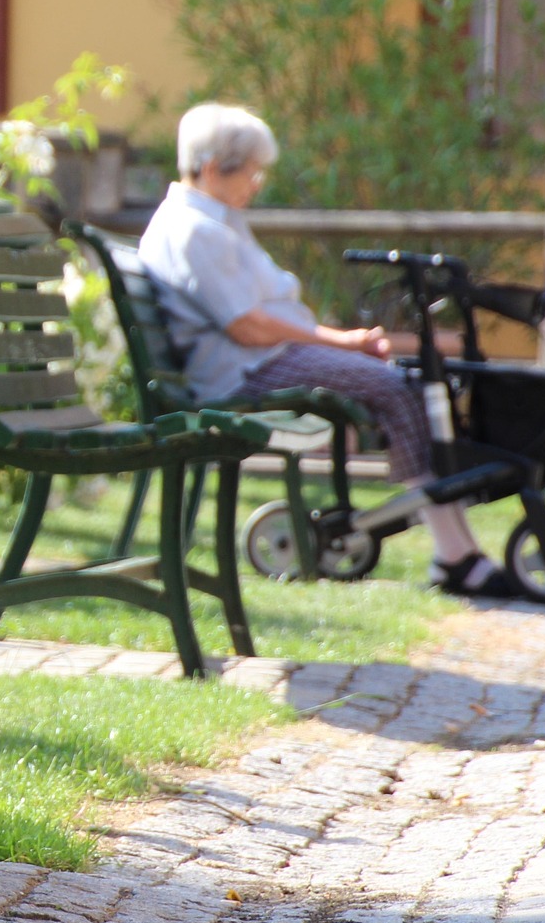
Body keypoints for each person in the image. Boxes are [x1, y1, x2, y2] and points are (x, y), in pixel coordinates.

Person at [137, 101, 515, 598]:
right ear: (211, 169)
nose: (257, 184)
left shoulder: (211, 221)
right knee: (396, 387)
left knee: (405, 384)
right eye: (251, 173)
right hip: (247, 370)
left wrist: (343, 344)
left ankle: (458, 549)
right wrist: (343, 341)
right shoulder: (196, 230)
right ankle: (455, 555)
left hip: (257, 361)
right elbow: (247, 327)